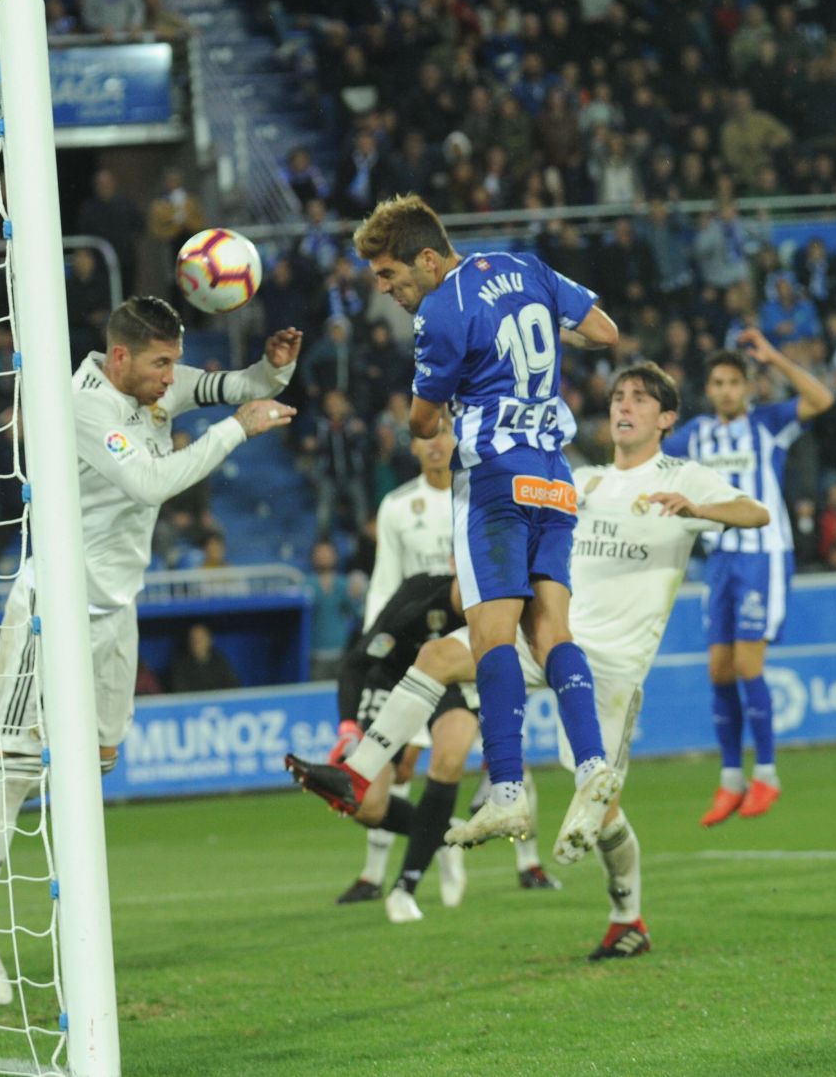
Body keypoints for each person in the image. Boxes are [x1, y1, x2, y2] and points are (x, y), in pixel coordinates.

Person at [299, 364, 766, 958]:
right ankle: (358, 771)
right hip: (553, 635)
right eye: (618, 396)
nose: (624, 406)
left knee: (602, 810)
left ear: (666, 419)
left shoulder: (683, 474)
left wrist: (698, 507)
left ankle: (628, 918)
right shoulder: (582, 481)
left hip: (614, 666)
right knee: (440, 653)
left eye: (641, 400)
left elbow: (757, 513)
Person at [0, 297, 300, 1006]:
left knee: (94, 761)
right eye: (162, 363)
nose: (172, 376)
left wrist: (270, 371)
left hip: (112, 613)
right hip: (48, 607)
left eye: (174, 361)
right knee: (15, 769)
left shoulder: (156, 386)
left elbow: (235, 385)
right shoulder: (84, 405)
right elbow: (155, 480)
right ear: (121, 357)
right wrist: (234, 431)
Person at [289, 194, 622, 863]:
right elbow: (606, 332)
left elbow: (419, 420)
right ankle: (592, 766)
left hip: (493, 483)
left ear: (429, 257)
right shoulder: (525, 267)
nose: (386, 291)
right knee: (552, 631)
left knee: (493, 636)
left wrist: (453, 407)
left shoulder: (442, 309)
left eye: (389, 276)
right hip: (554, 478)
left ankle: (506, 788)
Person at [330, 429, 557, 910]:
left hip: (475, 637)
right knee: (402, 765)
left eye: (443, 435)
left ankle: (528, 861)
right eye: (424, 437)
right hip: (411, 644)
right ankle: (378, 871)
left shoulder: (484, 488)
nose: (434, 445)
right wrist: (377, 649)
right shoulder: (398, 506)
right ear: (411, 446)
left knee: (496, 756)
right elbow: (385, 580)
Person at [662, 329, 833, 825]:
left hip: (764, 554)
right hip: (721, 559)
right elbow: (653, 459)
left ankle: (769, 774)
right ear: (709, 389)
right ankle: (731, 777)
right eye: (718, 382)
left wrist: (775, 358)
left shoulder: (770, 422)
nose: (726, 390)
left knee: (748, 664)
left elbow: (821, 399)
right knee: (718, 670)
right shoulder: (695, 434)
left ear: (747, 388)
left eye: (735, 382)